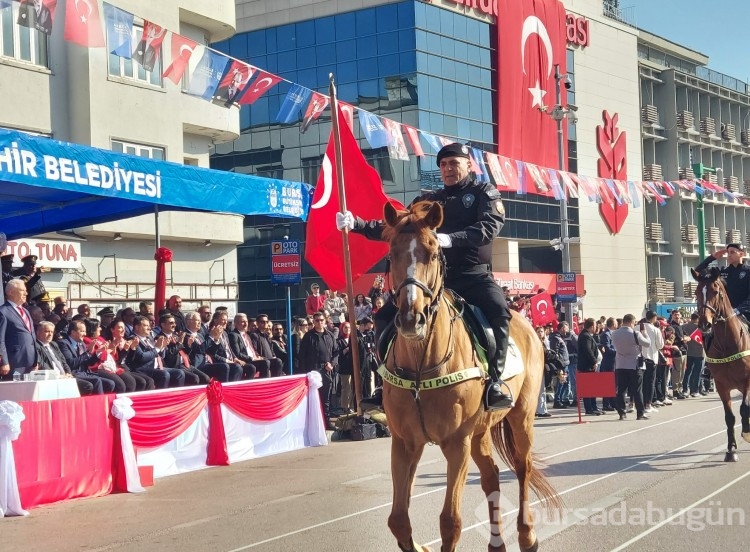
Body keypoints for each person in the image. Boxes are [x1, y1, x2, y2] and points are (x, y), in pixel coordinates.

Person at [338, 142, 513, 410]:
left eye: (453, 163)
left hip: (472, 276)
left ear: (468, 165)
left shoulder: (483, 192)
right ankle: (386, 382)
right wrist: (358, 224)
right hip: (432, 281)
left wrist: (449, 239)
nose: (448, 169)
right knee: (384, 316)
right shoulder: (426, 200)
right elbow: (396, 226)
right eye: (443, 165)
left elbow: (488, 228)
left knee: (498, 311)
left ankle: (495, 383)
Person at [299, 311, 338, 429]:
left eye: (321, 320)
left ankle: (326, 422)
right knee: (313, 398)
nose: (319, 322)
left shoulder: (330, 335)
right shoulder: (308, 336)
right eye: (317, 321)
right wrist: (304, 373)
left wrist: (332, 364)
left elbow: (336, 352)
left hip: (326, 371)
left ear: (325, 321)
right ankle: (313, 424)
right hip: (313, 372)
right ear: (314, 322)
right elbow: (302, 355)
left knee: (326, 399)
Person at [611, 314, 651, 421]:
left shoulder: (614, 333)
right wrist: (645, 334)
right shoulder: (635, 333)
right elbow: (647, 343)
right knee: (637, 390)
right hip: (634, 364)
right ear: (631, 322)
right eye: (634, 323)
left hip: (620, 364)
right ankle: (640, 413)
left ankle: (622, 412)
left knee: (621, 390)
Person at [0, 279, 38, 379]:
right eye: (22, 290)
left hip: (30, 362)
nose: (26, 293)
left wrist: (36, 360)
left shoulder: (26, 311)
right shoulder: (3, 312)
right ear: (10, 292)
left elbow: (31, 335)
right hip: (14, 362)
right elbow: (0, 340)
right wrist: (4, 362)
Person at [577, 318, 603, 415]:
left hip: (590, 367)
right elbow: (588, 350)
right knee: (588, 389)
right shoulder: (585, 336)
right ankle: (589, 409)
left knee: (592, 388)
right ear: (591, 326)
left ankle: (594, 407)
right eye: (595, 326)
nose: (596, 328)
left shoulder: (588, 335)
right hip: (587, 366)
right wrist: (594, 361)